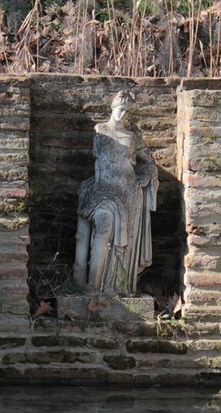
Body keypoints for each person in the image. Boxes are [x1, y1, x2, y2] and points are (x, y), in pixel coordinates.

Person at [73, 90, 158, 295]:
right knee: (105, 224)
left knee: (124, 244)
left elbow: (149, 163)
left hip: (129, 193)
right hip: (103, 190)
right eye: (119, 109)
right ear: (112, 108)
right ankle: (92, 285)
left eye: (125, 110)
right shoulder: (100, 130)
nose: (122, 114)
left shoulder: (132, 137)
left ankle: (118, 286)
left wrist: (147, 175)